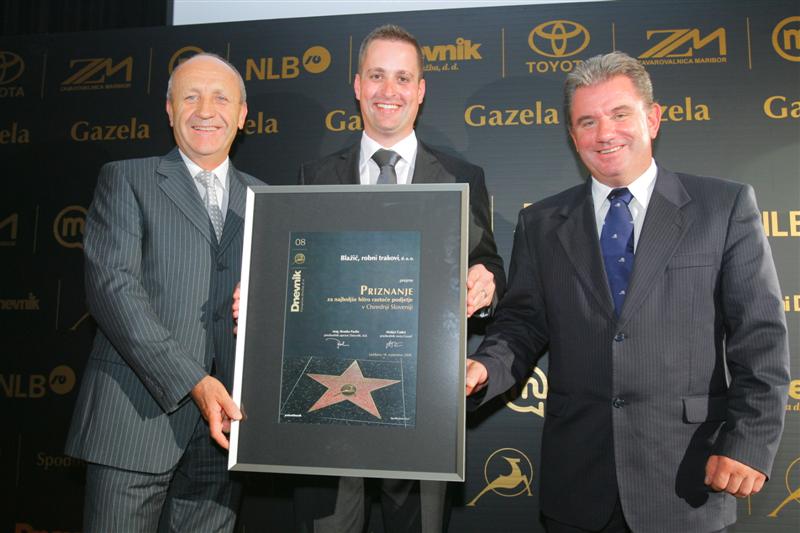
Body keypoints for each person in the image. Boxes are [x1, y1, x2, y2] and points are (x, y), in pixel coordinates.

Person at [465, 51, 790, 533]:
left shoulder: (723, 207)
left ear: (652, 118)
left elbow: (760, 337)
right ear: (572, 135)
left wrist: (749, 443)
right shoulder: (541, 223)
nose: (605, 133)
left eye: (620, 114)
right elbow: (523, 325)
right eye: (588, 121)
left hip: (688, 477)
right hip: (578, 483)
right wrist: (484, 368)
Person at [295, 24, 505, 533]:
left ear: (421, 89)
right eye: (376, 76)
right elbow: (298, 279)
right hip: (331, 398)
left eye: (403, 78)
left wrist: (486, 282)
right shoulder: (314, 177)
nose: (389, 90)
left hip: (424, 397)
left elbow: (487, 262)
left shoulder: (462, 178)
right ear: (357, 85)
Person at [65, 53, 262, 532]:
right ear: (170, 110)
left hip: (226, 431)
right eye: (190, 97)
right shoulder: (126, 179)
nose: (205, 110)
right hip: (134, 421)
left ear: (241, 115)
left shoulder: (264, 198)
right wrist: (194, 380)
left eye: (221, 98)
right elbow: (113, 292)